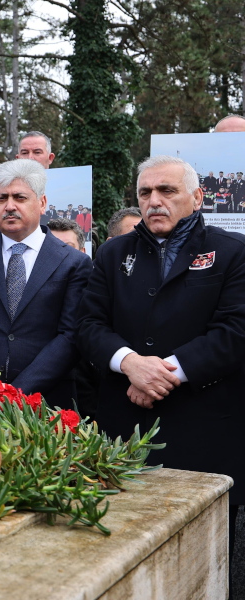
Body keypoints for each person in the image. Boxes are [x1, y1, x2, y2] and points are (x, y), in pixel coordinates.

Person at [77, 154, 245, 579]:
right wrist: (129, 362)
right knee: (123, 558)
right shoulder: (113, 253)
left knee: (202, 568)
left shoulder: (231, 253)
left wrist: (163, 372)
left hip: (205, 432)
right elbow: (89, 325)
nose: (154, 200)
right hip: (125, 432)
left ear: (196, 197)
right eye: (145, 192)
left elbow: (236, 332)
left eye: (167, 191)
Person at [0, 159, 92, 411]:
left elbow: (70, 335)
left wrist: (17, 393)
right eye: (1, 199)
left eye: (19, 197)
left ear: (42, 203)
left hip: (45, 405)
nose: (9, 206)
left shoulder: (74, 263)